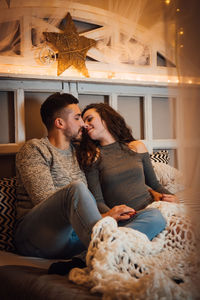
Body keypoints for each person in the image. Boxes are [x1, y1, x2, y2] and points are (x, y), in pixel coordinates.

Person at [14, 93, 163, 268]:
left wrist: (150, 190)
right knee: (76, 189)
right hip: (38, 237)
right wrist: (106, 217)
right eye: (77, 118)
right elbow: (45, 200)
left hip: (77, 237)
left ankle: (83, 259)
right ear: (60, 123)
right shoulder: (34, 149)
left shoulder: (81, 152)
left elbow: (116, 167)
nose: (83, 124)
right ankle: (107, 255)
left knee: (154, 216)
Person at [76, 103, 179, 240]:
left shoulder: (136, 147)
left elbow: (154, 184)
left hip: (151, 209)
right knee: (156, 219)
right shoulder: (92, 156)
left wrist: (175, 198)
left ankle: (119, 241)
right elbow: (98, 201)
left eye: (89, 119)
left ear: (105, 118)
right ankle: (114, 240)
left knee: (184, 222)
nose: (85, 124)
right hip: (125, 219)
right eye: (84, 122)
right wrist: (114, 215)